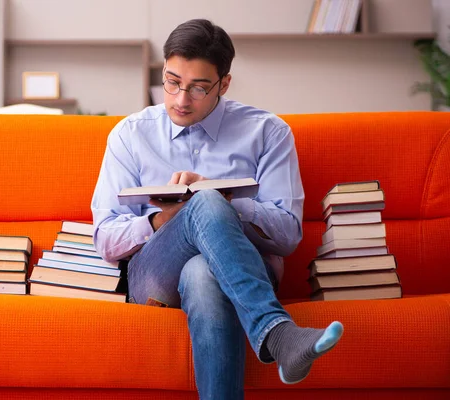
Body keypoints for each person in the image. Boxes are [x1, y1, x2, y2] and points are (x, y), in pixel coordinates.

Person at [91, 18, 343, 399]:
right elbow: (105, 238)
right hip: (153, 277)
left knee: (202, 271)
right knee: (204, 202)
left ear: (224, 84)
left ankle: (274, 333)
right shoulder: (131, 134)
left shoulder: (267, 132)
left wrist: (229, 205)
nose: (180, 99)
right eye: (172, 82)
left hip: (242, 272)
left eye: (197, 87)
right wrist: (169, 217)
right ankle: (277, 333)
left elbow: (289, 235)